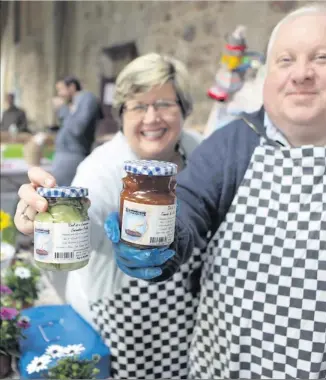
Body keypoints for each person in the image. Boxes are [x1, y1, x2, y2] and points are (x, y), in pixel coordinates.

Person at [104, 5, 326, 379]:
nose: (301, 74)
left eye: (322, 58)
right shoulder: (232, 145)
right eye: (285, 60)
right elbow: (187, 211)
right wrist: (153, 242)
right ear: (268, 74)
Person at [14, 54, 203, 379]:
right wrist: (45, 221)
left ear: (184, 108)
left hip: (186, 318)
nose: (152, 117)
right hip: (121, 320)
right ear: (121, 114)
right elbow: (78, 234)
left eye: (164, 104)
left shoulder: (199, 152)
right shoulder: (101, 170)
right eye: (138, 106)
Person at [51, 76, 102, 186]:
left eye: (61, 89)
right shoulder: (73, 103)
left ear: (72, 87)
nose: (59, 94)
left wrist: (63, 108)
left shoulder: (87, 98)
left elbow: (77, 129)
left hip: (72, 156)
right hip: (64, 155)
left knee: (59, 195)